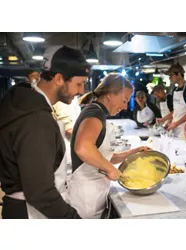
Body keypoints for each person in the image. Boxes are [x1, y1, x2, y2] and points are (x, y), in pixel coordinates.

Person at [0, 45, 90, 219]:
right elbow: (39, 192)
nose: (81, 91)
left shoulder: (25, 103)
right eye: (79, 83)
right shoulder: (36, 119)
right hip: (29, 213)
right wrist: (72, 219)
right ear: (58, 78)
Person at [69, 73, 151, 219]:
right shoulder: (95, 113)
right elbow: (83, 148)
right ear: (110, 95)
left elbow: (102, 156)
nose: (125, 107)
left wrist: (133, 152)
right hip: (86, 197)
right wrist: (111, 170)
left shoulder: (97, 111)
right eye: (124, 100)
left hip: (94, 192)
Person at [159, 63, 186, 138]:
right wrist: (163, 119)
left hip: (185, 129)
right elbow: (175, 111)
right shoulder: (175, 90)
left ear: (178, 74)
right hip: (175, 128)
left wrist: (176, 123)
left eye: (171, 75)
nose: (170, 78)